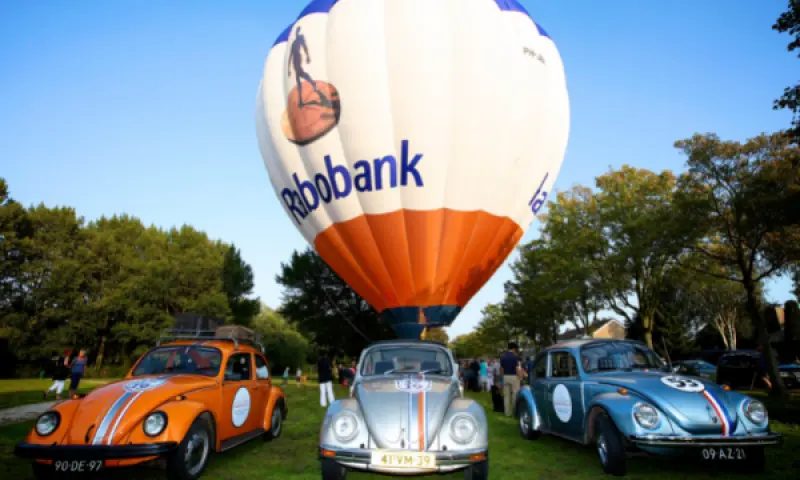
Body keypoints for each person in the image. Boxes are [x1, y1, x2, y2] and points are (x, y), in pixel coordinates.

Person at [500, 343, 523, 416]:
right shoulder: (515, 357)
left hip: (505, 376)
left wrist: (502, 377)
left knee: (506, 396)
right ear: (514, 348)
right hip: (514, 376)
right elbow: (517, 368)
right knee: (515, 394)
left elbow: (501, 369)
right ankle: (515, 412)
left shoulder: (503, 357)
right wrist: (520, 377)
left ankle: (507, 413)